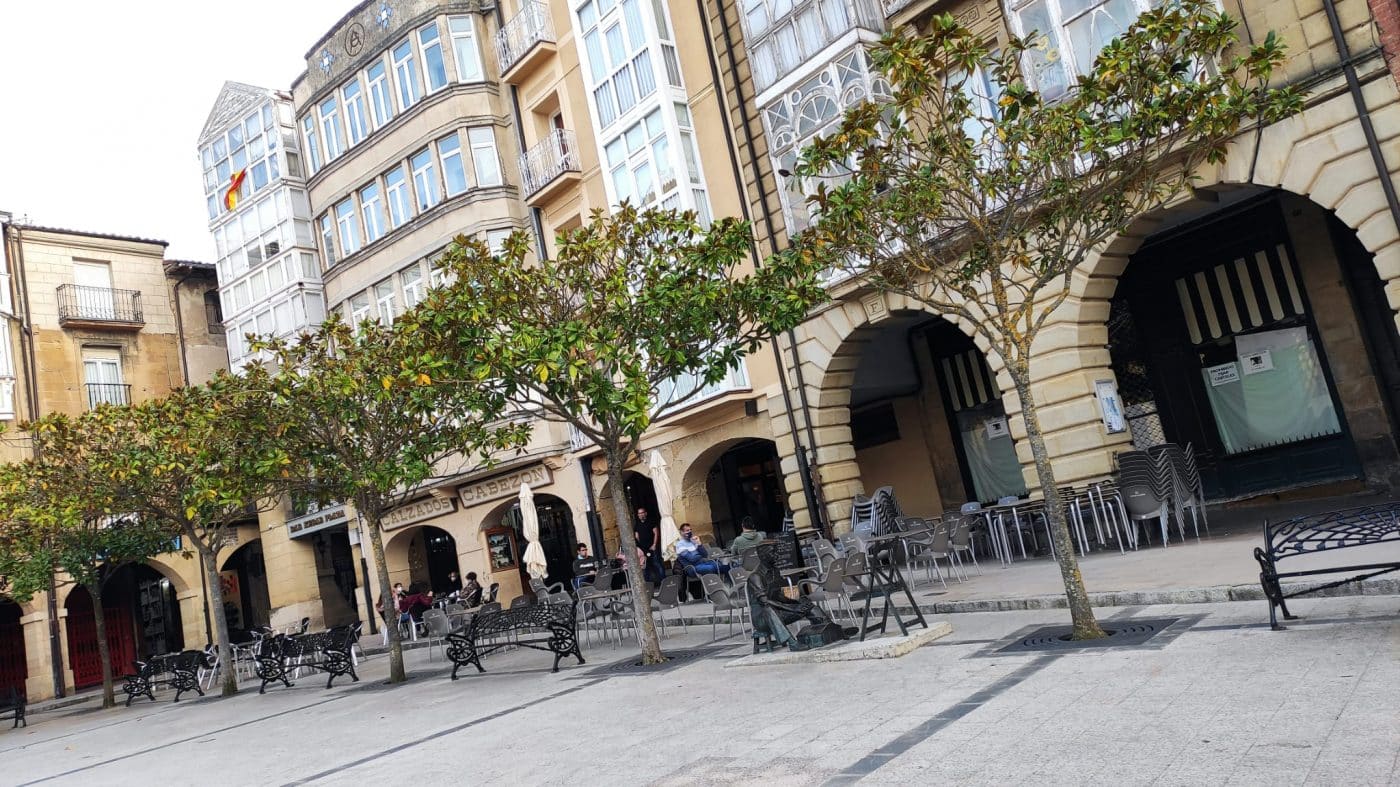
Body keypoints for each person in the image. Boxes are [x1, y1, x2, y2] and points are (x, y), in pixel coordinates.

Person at [634, 507, 664, 584]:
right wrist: (639, 547)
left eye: (642, 513)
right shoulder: (637, 524)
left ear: (645, 513)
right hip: (643, 549)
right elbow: (636, 536)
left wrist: (654, 544)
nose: (641, 515)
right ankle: (649, 584)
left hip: (652, 547)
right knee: (645, 566)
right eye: (639, 513)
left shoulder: (651, 521)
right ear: (638, 515)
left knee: (656, 563)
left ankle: (663, 580)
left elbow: (656, 533)